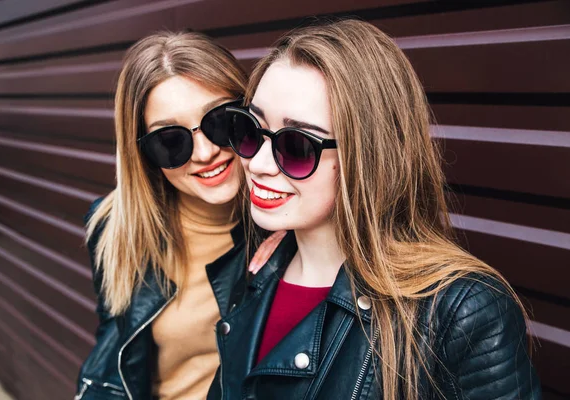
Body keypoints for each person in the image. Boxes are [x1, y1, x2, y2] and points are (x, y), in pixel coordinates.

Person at [211, 20, 541, 400]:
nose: (258, 164)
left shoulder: (459, 313)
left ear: (368, 156)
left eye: (296, 146)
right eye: (251, 129)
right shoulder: (254, 273)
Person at [76, 31, 264, 400]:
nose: (206, 152)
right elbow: (116, 353)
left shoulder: (290, 227)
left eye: (219, 120)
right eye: (171, 139)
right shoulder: (114, 227)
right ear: (142, 152)